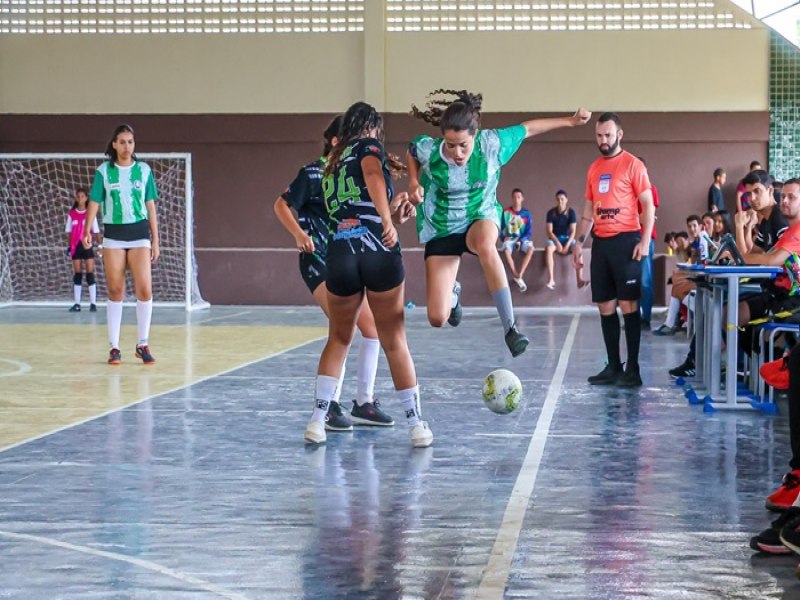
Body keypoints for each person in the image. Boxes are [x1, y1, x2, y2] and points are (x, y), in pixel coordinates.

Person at [407, 89, 591, 357]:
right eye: (450, 144)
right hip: (441, 225)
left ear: (475, 136)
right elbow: (412, 151)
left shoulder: (492, 144)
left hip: (479, 216)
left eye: (463, 145)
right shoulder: (430, 150)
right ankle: (453, 293)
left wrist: (570, 121)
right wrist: (413, 181)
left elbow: (527, 129)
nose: (457, 153)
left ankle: (511, 328)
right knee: (437, 317)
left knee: (485, 243)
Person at [303, 101, 432, 449]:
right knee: (394, 339)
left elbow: (351, 211)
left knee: (339, 338)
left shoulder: (330, 164)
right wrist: (389, 222)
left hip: (341, 252)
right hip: (376, 251)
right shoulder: (367, 146)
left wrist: (392, 215)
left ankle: (317, 420)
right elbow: (374, 176)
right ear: (371, 128)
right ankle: (416, 423)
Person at [274, 116, 395, 432]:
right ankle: (327, 408)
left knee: (372, 329)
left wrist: (397, 212)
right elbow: (281, 205)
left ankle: (363, 403)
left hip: (347, 257)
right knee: (345, 329)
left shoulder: (352, 173)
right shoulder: (313, 173)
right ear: (337, 141)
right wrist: (299, 234)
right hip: (318, 261)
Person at [572, 112, 655, 387]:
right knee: (605, 306)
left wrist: (644, 242)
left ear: (619, 134)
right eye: (598, 135)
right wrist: (578, 242)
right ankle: (613, 366)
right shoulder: (594, 168)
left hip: (626, 241)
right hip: (601, 243)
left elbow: (648, 205)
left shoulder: (633, 165)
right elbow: (587, 210)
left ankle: (633, 369)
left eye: (608, 135)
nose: (603, 140)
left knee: (628, 305)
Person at [83, 124, 159, 366]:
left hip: (139, 234)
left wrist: (156, 240)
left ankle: (142, 343)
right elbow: (94, 202)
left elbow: (150, 206)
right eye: (123, 142)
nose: (128, 146)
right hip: (113, 235)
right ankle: (114, 347)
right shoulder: (104, 172)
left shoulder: (144, 171)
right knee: (116, 290)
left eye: (131, 142)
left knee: (144, 288)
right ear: (114, 145)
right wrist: (87, 229)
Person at [65, 187, 100, 312]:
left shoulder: (90, 213)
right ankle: (77, 304)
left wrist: (100, 246)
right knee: (77, 275)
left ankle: (93, 303)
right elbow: (69, 232)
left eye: (83, 196)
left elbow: (96, 231)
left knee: (90, 274)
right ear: (76, 198)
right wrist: (69, 247)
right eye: (78, 196)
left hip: (87, 246)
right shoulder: (72, 214)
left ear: (86, 198)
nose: (80, 199)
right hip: (76, 247)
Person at [544, 189, 586, 290]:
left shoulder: (571, 213)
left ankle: (579, 279)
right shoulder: (551, 213)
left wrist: (567, 246)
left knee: (578, 249)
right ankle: (551, 279)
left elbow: (573, 231)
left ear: (566, 200)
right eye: (558, 199)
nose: (560, 202)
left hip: (568, 239)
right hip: (555, 239)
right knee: (549, 249)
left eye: (562, 199)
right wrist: (557, 243)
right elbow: (549, 231)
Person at [638, 157, 660, 328]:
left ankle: (646, 318)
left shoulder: (651, 189)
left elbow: (650, 215)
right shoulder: (628, 191)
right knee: (632, 280)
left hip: (646, 238)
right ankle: (634, 316)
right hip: (629, 239)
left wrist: (643, 218)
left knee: (646, 279)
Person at [499, 188, 534, 292]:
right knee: (506, 250)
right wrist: (503, 237)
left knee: (531, 249)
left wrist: (521, 240)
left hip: (522, 240)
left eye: (518, 197)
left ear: (522, 199)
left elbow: (529, 232)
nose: (516, 199)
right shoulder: (505, 212)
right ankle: (516, 274)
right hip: (510, 240)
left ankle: (520, 275)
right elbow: (500, 229)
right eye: (514, 197)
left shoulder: (527, 214)